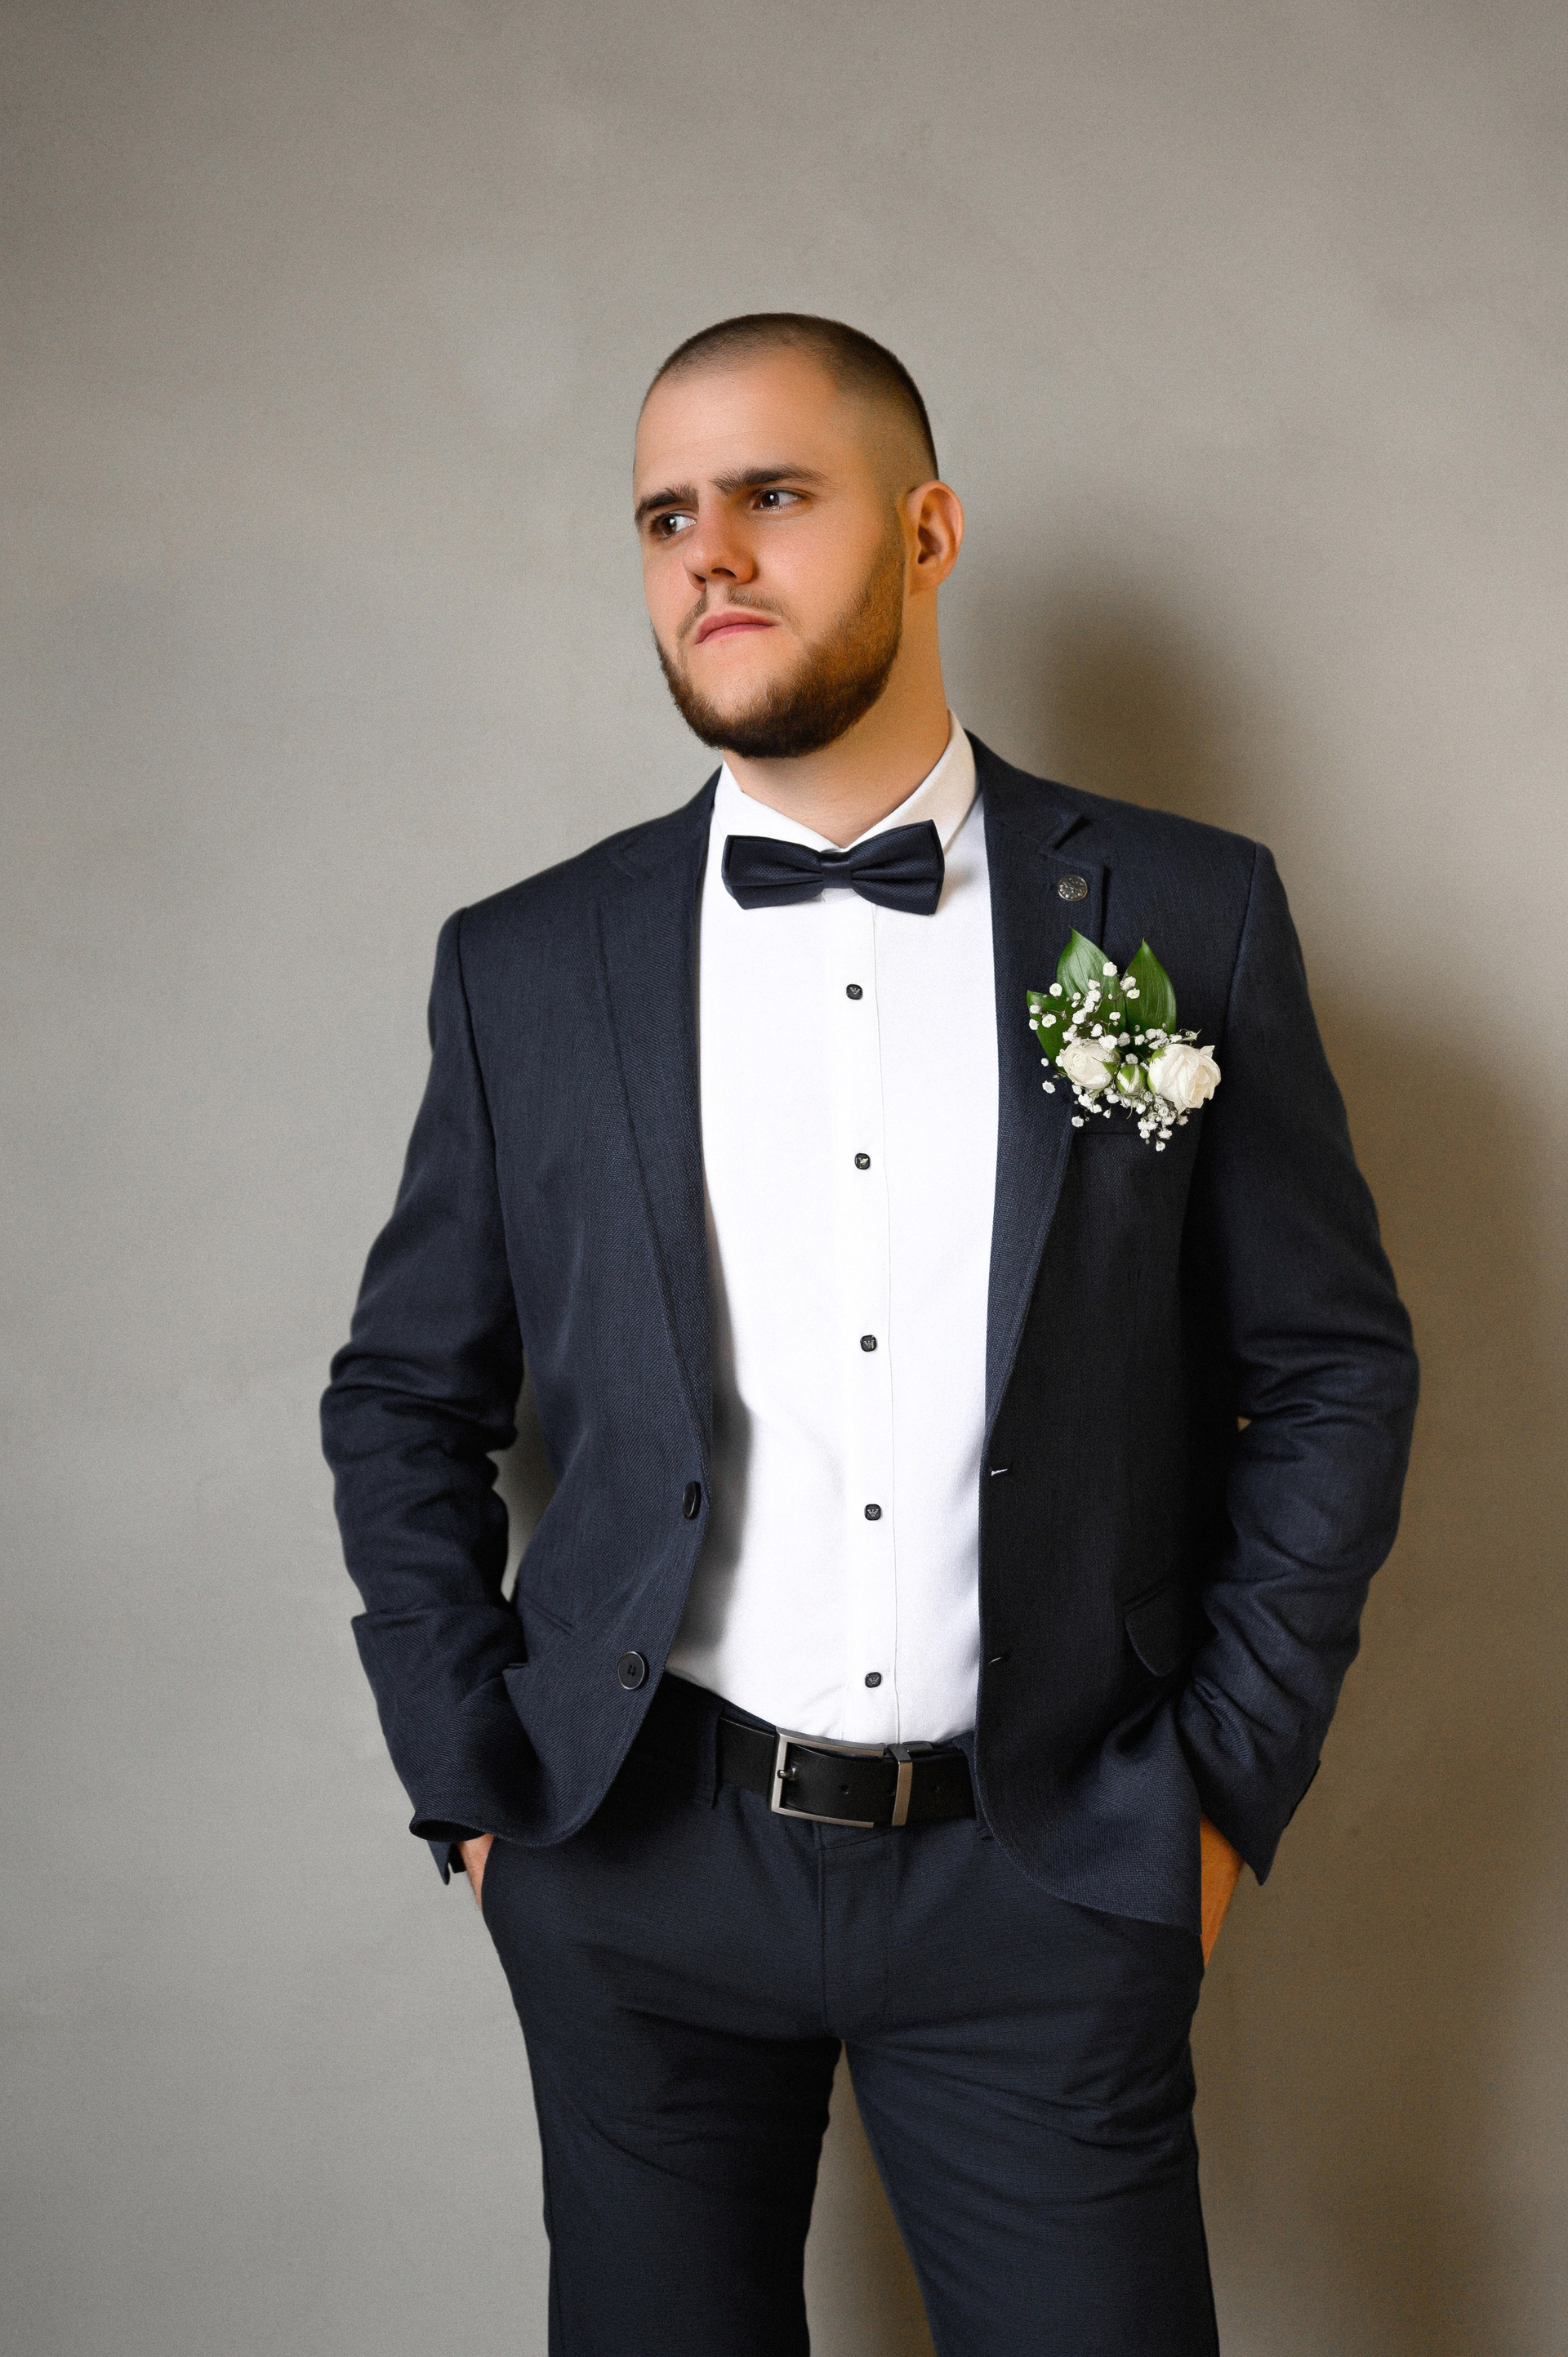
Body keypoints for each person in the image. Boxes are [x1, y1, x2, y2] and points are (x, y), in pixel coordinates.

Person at [321, 313, 1418, 2356]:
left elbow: (1332, 1368)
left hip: (1048, 1870)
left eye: (773, 494)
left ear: (927, 533)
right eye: (666, 516)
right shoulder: (527, 964)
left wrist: (1212, 1792)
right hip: (636, 1865)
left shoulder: (1182, 916)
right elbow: (403, 1395)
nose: (712, 555)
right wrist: (475, 1787)